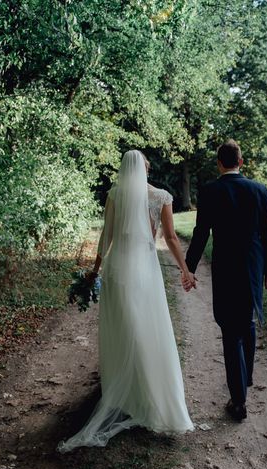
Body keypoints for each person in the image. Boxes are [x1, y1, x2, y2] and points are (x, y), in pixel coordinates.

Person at [57, 150, 194, 453]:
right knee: (146, 325)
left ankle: (124, 387)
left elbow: (107, 235)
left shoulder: (115, 194)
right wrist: (185, 269)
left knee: (123, 326)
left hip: (118, 268)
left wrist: (95, 270)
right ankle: (146, 391)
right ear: (145, 168)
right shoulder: (161, 196)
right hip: (144, 269)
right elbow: (170, 238)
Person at [184, 139, 267, 422]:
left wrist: (189, 269)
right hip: (252, 268)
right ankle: (244, 378)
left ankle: (239, 401)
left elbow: (201, 233)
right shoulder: (259, 190)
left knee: (230, 331)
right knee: (247, 323)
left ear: (219, 163)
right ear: (241, 161)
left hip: (225, 269)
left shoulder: (211, 191)